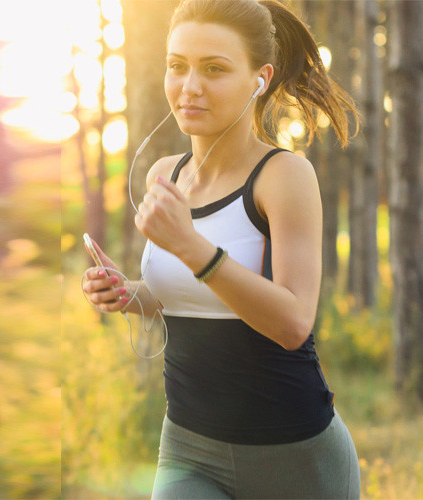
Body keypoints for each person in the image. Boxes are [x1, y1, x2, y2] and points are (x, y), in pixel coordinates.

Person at [82, 0, 362, 498]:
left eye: (214, 69)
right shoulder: (163, 175)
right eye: (177, 66)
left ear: (260, 78)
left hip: (294, 455)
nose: (190, 87)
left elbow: (293, 323)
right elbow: (187, 296)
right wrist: (129, 293)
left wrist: (191, 247)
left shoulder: (283, 177)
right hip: (189, 447)